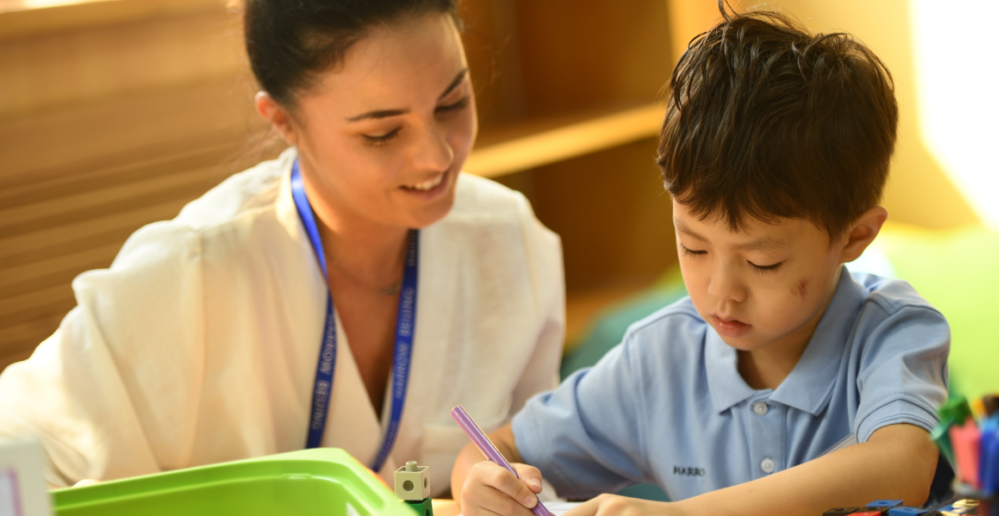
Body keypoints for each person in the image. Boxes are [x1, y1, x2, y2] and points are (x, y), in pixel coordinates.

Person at [0, 0, 564, 495]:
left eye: (452, 102)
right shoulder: (189, 275)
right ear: (284, 122)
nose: (437, 156)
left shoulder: (510, 240)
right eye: (383, 133)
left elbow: (540, 465)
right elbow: (12, 461)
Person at [452, 7, 951, 516]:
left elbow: (901, 467)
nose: (720, 291)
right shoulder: (658, 360)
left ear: (855, 237)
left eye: (762, 262)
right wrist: (485, 485)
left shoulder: (893, 334)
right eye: (693, 248)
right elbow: (494, 449)